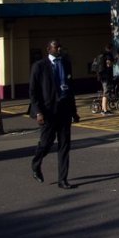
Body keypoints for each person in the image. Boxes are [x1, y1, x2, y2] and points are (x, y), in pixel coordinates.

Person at [29, 39, 79, 189]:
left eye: (60, 47)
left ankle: (62, 180)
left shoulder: (65, 63)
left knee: (65, 145)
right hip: (48, 111)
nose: (59, 49)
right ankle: (36, 163)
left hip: (64, 109)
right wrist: (38, 112)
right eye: (56, 47)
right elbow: (33, 92)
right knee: (46, 143)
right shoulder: (39, 66)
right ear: (48, 49)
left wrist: (74, 111)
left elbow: (70, 89)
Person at [96, 43, 115, 115]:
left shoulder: (101, 55)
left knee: (105, 92)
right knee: (106, 92)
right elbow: (109, 64)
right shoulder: (108, 55)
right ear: (111, 48)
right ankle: (104, 110)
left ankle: (104, 109)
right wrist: (113, 62)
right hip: (106, 76)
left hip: (102, 76)